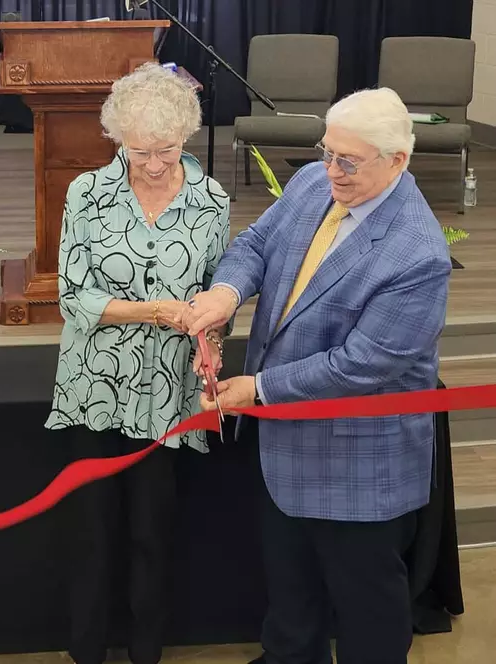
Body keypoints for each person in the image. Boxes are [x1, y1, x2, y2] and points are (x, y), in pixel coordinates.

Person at [185, 87, 452, 664]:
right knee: (291, 592)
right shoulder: (313, 182)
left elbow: (362, 364)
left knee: (367, 609)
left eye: (347, 161)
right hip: (285, 447)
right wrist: (226, 293)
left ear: (397, 161)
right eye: (326, 151)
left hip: (358, 461)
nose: (330, 170)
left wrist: (258, 388)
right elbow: (257, 243)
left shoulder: (418, 254)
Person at [44, 62, 230, 664]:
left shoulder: (211, 202)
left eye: (167, 150)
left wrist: (212, 339)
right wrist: (154, 310)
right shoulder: (87, 194)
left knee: (153, 533)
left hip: (168, 395)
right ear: (118, 139)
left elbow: (216, 295)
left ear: (187, 136)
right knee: (90, 534)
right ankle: (86, 652)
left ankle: (147, 651)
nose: (153, 164)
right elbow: (74, 298)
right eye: (140, 150)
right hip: (94, 387)